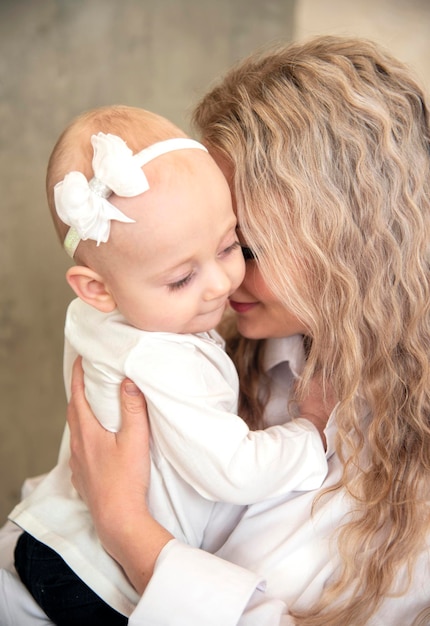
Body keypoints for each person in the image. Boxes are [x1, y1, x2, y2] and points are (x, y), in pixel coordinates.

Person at [0, 33, 429, 626]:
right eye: (189, 260)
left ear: (349, 245)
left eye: (239, 244)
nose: (222, 283)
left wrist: (130, 532)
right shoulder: (192, 340)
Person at [7, 104, 328, 626]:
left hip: (51, 538)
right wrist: (310, 431)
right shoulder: (160, 359)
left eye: (232, 246)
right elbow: (235, 471)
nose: (223, 284)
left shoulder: (109, 320)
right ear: (98, 289)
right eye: (181, 279)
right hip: (97, 576)